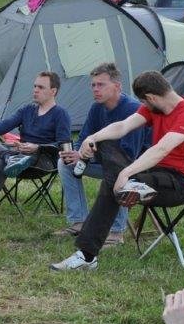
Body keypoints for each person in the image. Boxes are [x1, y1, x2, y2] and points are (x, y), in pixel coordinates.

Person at [51, 71, 184, 271]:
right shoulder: (155, 107)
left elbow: (161, 150)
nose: (144, 106)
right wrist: (93, 138)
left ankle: (87, 256)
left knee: (117, 183)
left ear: (151, 98)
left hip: (182, 184)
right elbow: (123, 126)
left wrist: (125, 173)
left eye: (144, 102)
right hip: (156, 175)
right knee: (106, 145)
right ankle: (87, 255)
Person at [0, 71, 71, 227]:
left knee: (1, 162)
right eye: (35, 86)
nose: (35, 90)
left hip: (42, 161)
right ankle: (10, 156)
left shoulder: (61, 114)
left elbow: (64, 145)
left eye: (41, 87)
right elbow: (7, 124)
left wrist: (38, 147)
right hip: (18, 155)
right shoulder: (28, 109)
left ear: (53, 91)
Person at [56, 63, 150, 246]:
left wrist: (90, 155)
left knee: (116, 168)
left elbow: (129, 154)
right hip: (104, 162)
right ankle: (79, 222)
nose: (95, 89)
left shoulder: (133, 109)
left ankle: (116, 232)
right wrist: (77, 153)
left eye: (101, 84)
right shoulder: (97, 108)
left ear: (117, 86)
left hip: (135, 168)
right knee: (65, 163)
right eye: (93, 85)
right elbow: (83, 137)